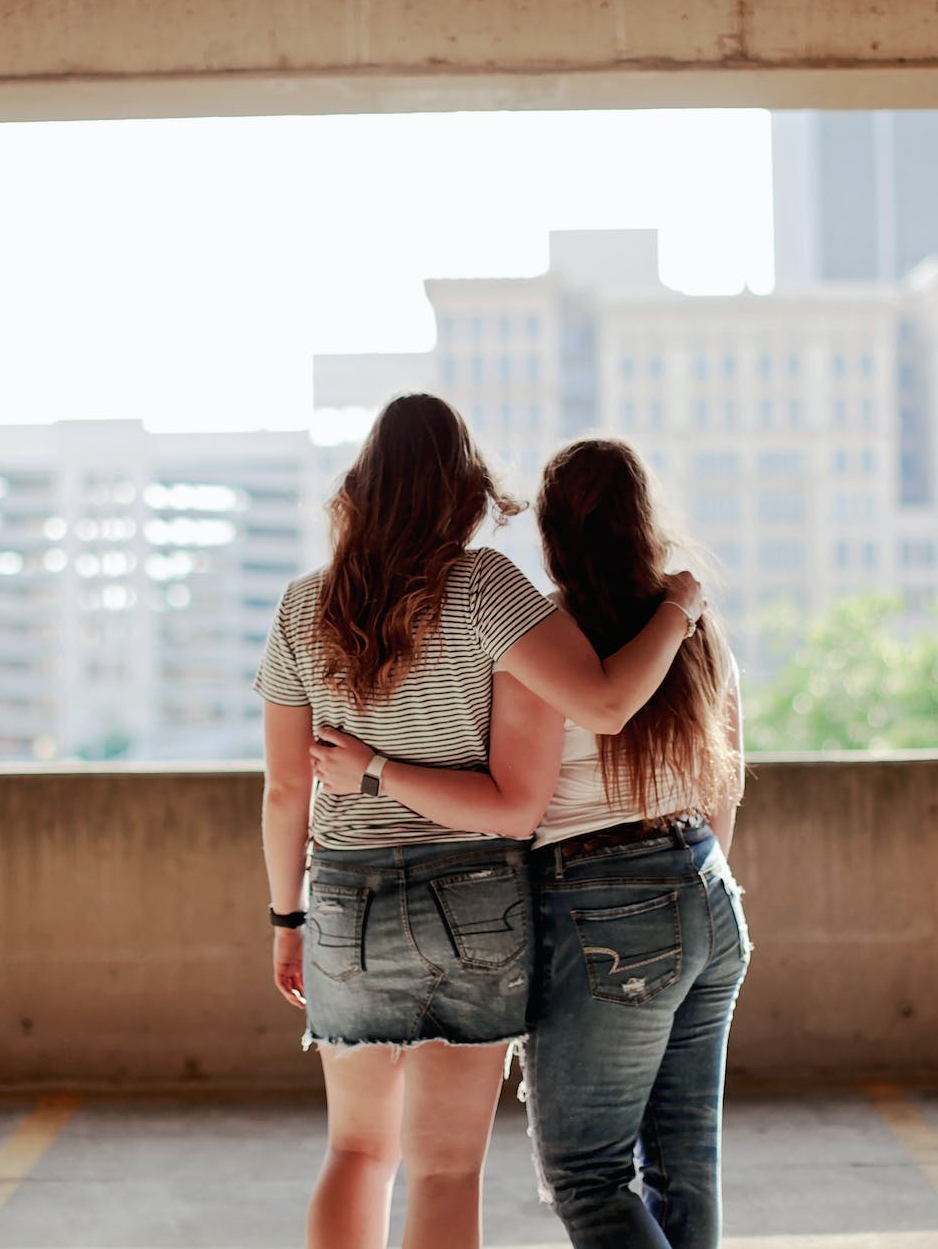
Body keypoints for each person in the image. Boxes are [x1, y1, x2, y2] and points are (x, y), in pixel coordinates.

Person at [256, 396, 706, 1249]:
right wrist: (680, 609)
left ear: (360, 487)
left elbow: (285, 788)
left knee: (355, 1149)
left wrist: (287, 919)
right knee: (445, 1166)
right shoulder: (487, 588)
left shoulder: (301, 606)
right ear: (462, 489)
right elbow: (606, 704)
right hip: (476, 902)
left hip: (345, 901)